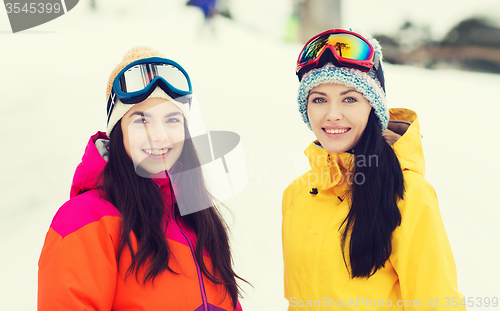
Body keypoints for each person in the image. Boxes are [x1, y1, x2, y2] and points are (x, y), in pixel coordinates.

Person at [38, 46, 245, 311]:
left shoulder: (197, 217)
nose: (159, 136)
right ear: (118, 130)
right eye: (142, 121)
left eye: (172, 120)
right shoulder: (84, 219)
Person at [282, 29, 466, 310]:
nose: (332, 114)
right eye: (319, 99)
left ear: (373, 107)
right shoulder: (297, 194)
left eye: (349, 99)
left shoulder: (408, 193)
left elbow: (437, 302)